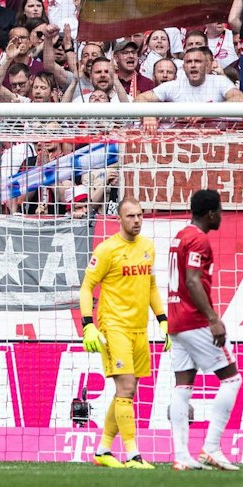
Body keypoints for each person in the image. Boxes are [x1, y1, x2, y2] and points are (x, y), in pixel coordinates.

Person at [79, 198, 164, 469]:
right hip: (114, 327)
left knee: (127, 392)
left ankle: (103, 451)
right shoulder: (106, 250)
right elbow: (86, 287)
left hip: (139, 329)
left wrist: (162, 320)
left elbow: (150, 285)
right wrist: (88, 324)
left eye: (140, 215)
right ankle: (133, 454)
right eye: (131, 216)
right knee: (125, 388)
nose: (136, 220)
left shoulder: (148, 247)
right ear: (119, 218)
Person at [166, 189, 241, 471]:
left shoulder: (180, 236)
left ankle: (181, 455)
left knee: (183, 385)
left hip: (176, 319)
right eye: (220, 211)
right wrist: (212, 318)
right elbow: (193, 281)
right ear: (210, 213)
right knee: (232, 379)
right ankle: (211, 447)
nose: (222, 216)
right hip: (194, 319)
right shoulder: (199, 240)